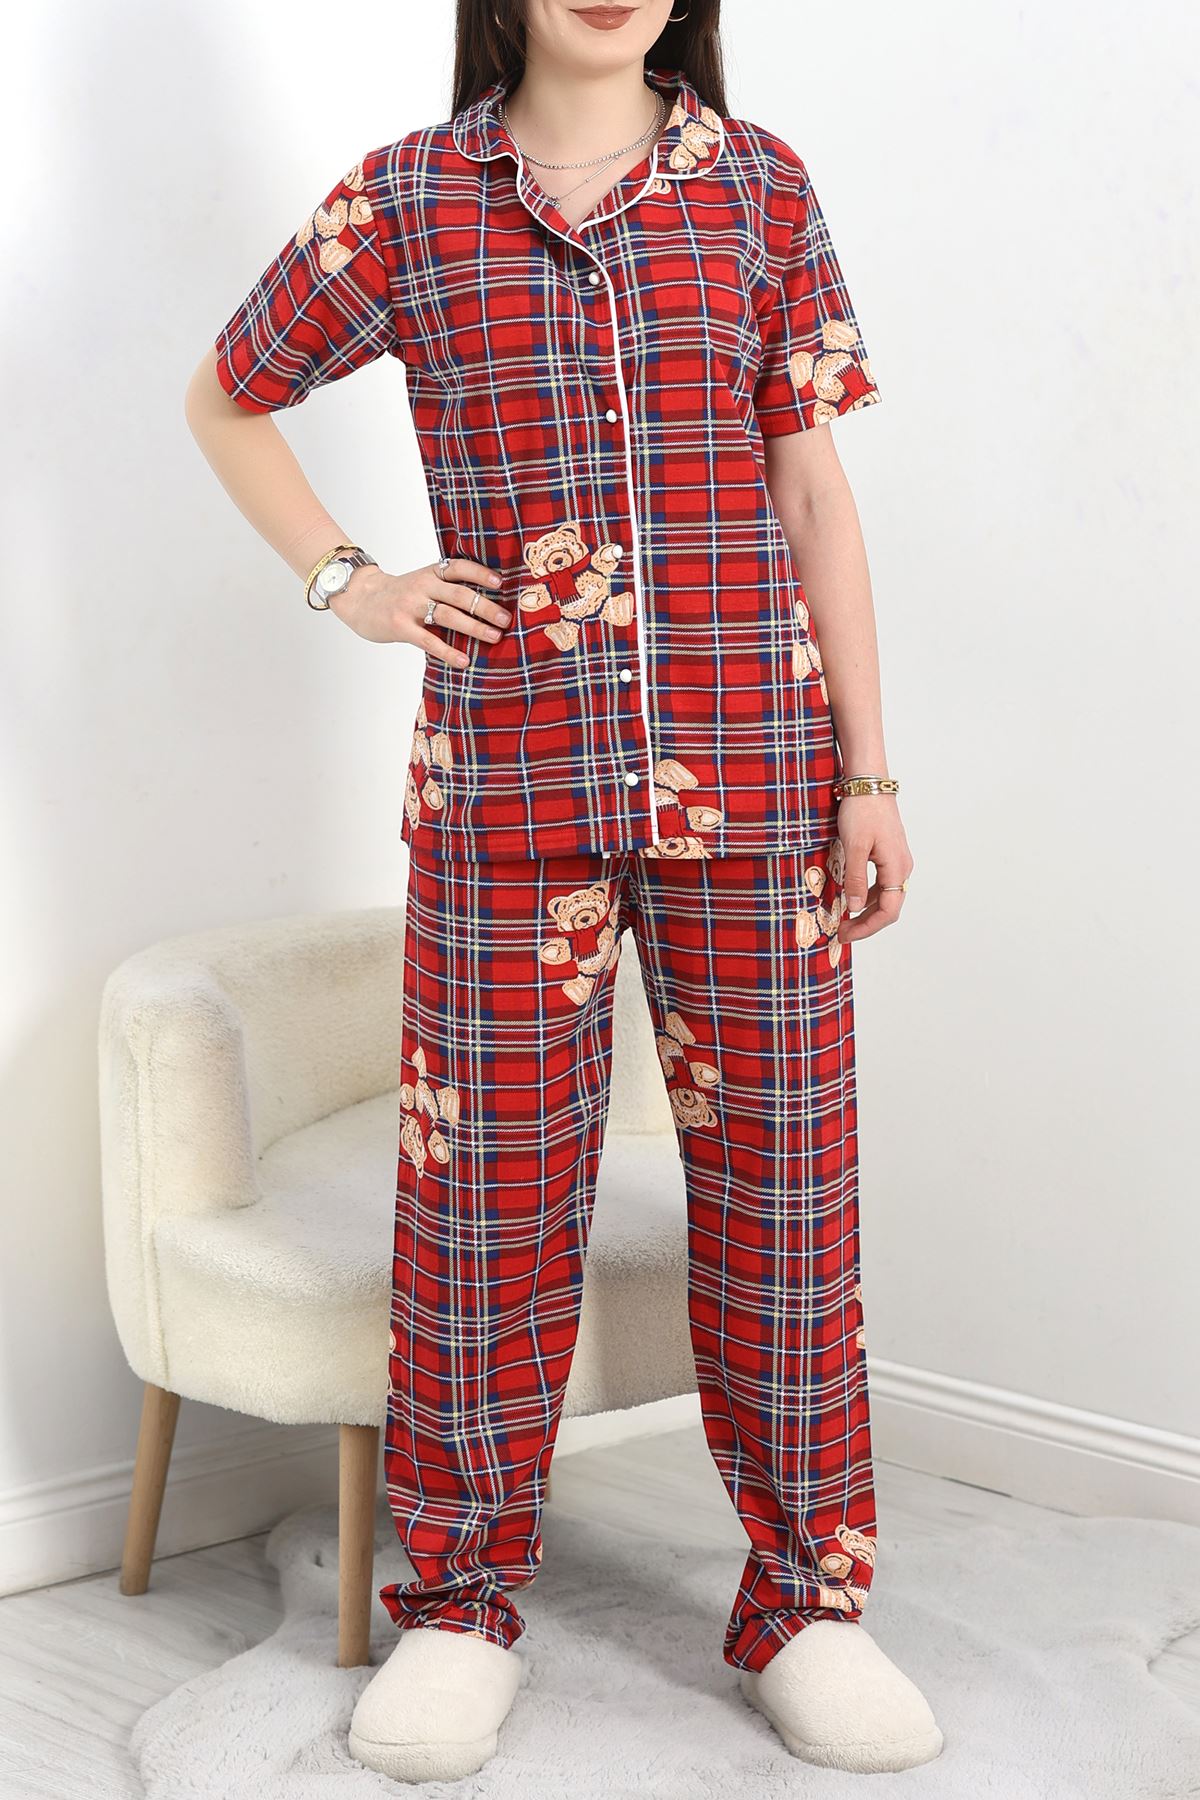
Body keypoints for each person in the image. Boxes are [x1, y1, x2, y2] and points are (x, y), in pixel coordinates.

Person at [186, 0, 936, 1782]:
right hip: (507, 782)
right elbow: (228, 394)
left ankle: (808, 1606)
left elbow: (813, 495)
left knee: (785, 1194)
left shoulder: (759, 187)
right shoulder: (408, 200)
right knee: (485, 1205)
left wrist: (869, 774)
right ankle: (457, 1609)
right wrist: (353, 582)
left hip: (757, 772)